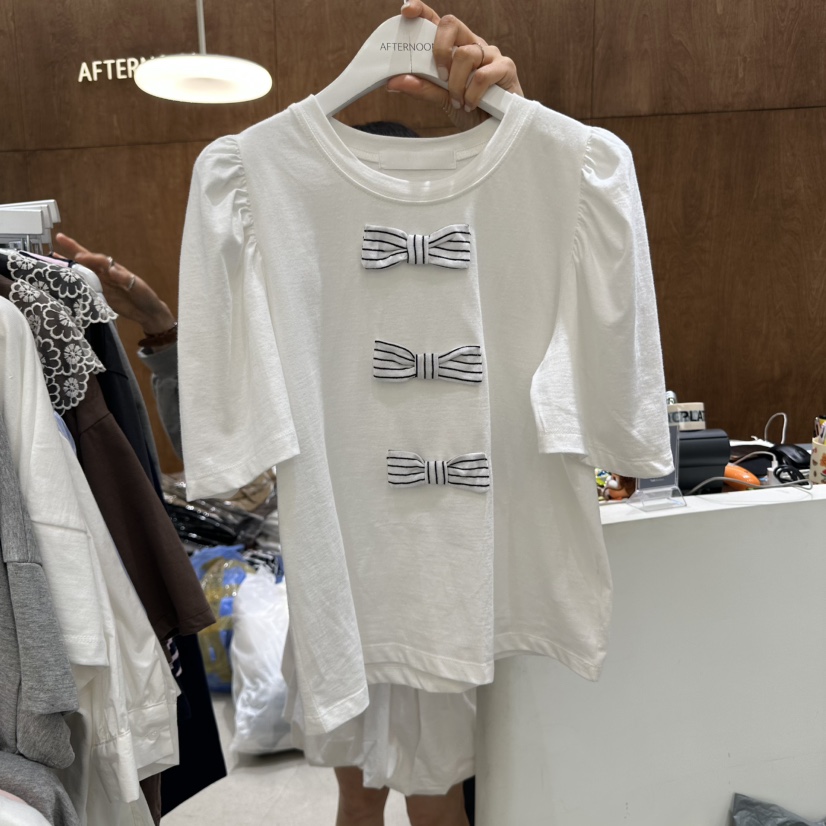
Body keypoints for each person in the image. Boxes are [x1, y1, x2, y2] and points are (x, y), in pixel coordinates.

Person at [57, 3, 523, 823]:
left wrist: (509, 121)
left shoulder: (478, 281)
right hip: (332, 568)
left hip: (451, 570)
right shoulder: (302, 283)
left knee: (439, 792)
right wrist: (162, 326)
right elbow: (227, 446)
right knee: (361, 788)